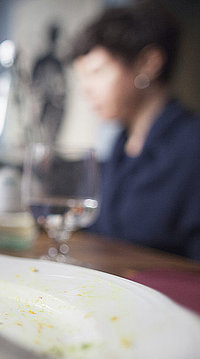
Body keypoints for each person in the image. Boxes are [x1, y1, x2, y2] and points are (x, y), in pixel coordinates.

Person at [70, 0, 200, 261]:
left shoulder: (192, 145)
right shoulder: (119, 147)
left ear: (148, 64)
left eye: (97, 71)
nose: (86, 89)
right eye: (82, 77)